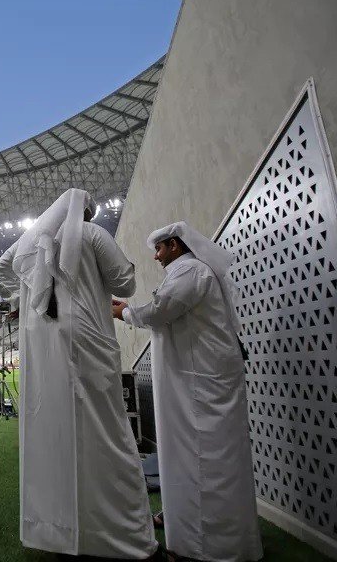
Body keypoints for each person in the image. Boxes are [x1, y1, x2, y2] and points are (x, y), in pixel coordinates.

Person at [0, 188, 156, 558]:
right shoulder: (93, 234)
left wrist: (20, 300)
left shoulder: (33, 241)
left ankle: (55, 531)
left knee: (53, 429)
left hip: (44, 345)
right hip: (88, 338)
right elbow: (125, 283)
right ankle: (121, 534)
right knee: (107, 431)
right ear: (88, 213)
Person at [112, 221, 262, 562]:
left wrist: (124, 312)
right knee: (189, 457)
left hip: (203, 388)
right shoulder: (188, 271)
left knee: (206, 459)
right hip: (195, 384)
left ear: (175, 246)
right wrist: (128, 309)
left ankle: (207, 546)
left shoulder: (190, 270)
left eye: (160, 249)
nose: (155, 256)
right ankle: (185, 523)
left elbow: (161, 310)